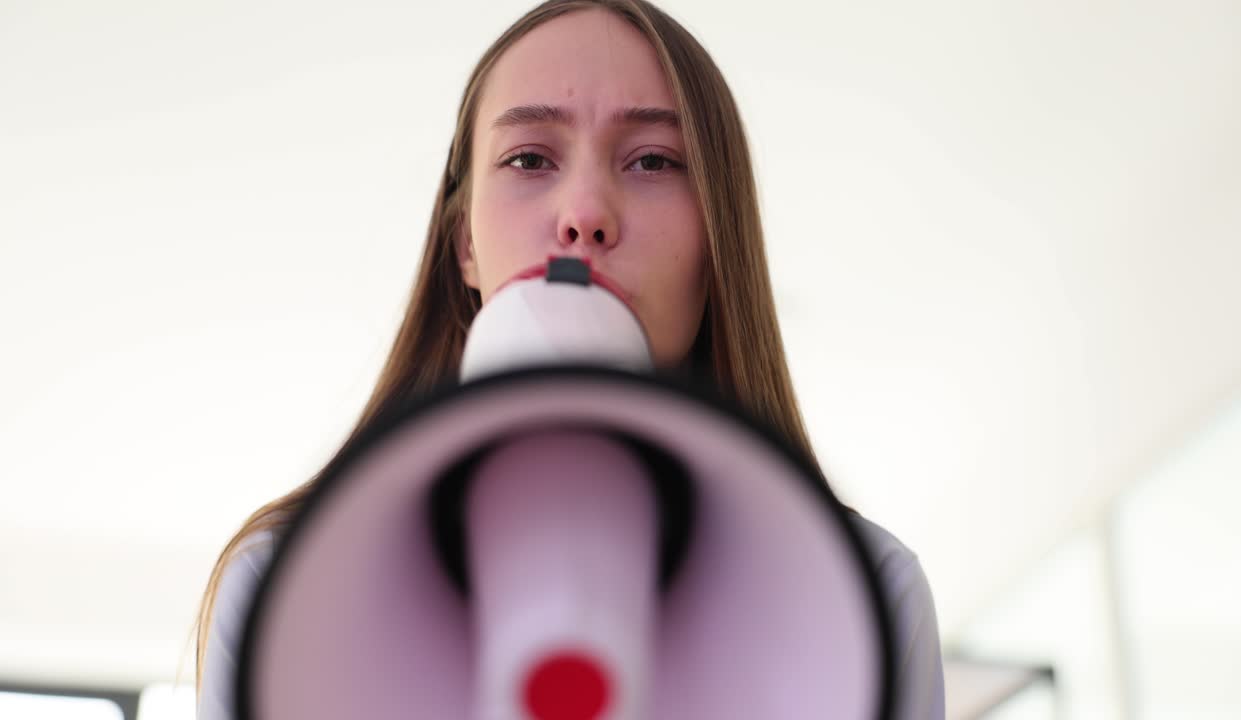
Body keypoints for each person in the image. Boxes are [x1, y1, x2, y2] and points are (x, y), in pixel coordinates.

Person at [194, 1, 945, 718]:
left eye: (653, 161)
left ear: (719, 243)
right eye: (528, 159)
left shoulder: (871, 595)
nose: (584, 214)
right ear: (463, 244)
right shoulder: (280, 587)